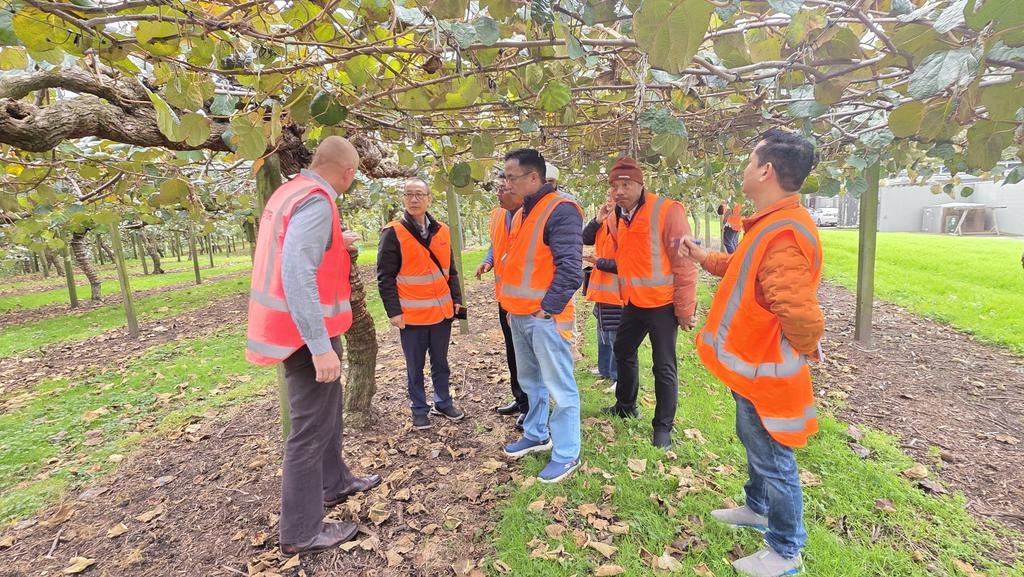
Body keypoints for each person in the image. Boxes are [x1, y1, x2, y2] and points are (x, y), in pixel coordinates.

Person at [679, 129, 823, 577]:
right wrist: (702, 255)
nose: (744, 169)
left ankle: (784, 551)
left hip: (769, 371)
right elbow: (742, 267)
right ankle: (757, 507)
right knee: (756, 445)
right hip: (755, 368)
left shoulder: (782, 235)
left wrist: (803, 348)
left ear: (766, 170)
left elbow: (802, 315)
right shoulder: (770, 224)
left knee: (774, 459)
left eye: (748, 161)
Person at [246, 136, 381, 555]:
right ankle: (301, 532)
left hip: (298, 329)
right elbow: (297, 273)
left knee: (327, 412)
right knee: (307, 430)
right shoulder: (318, 201)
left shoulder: (291, 192)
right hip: (306, 334)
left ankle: (335, 481)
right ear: (348, 173)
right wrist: (320, 346)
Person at [498, 148, 584, 484]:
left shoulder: (560, 210)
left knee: (560, 388)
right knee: (530, 381)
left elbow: (570, 270)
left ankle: (567, 453)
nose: (505, 183)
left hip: (543, 317)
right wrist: (513, 309)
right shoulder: (522, 212)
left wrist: (547, 308)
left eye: (511, 176)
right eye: (504, 176)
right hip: (520, 316)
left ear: (534, 178)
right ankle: (536, 433)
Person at [600, 156, 697, 449]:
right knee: (622, 349)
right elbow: (625, 257)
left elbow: (685, 264)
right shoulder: (617, 215)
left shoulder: (667, 211)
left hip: (662, 305)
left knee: (663, 366)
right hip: (633, 302)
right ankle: (626, 405)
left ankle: (663, 428)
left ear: (641, 184)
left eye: (626, 184)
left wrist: (684, 310)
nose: (619, 191)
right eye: (614, 186)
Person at [377, 178, 465, 430]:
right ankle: (419, 408)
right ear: (403, 199)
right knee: (415, 366)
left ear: (429, 199)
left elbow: (451, 271)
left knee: (441, 362)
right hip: (412, 315)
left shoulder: (443, 230)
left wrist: (456, 300)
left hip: (441, 313)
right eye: (409, 195)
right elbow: (385, 277)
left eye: (419, 194)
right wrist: (394, 312)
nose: (414, 199)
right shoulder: (393, 232)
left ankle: (443, 401)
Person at [477, 171, 529, 430]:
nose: (498, 192)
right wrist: (488, 260)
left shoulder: (530, 214)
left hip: (526, 298)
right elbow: (495, 244)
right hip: (505, 296)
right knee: (511, 349)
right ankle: (520, 398)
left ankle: (531, 406)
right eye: (497, 187)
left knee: (527, 354)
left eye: (503, 188)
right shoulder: (498, 214)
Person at [582, 195, 623, 389]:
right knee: (602, 332)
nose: (608, 200)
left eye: (612, 198)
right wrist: (598, 219)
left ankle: (618, 377)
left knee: (616, 336)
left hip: (617, 293)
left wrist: (598, 261)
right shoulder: (606, 220)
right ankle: (604, 368)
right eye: (607, 196)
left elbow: (624, 264)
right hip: (602, 291)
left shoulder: (625, 225)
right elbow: (585, 237)